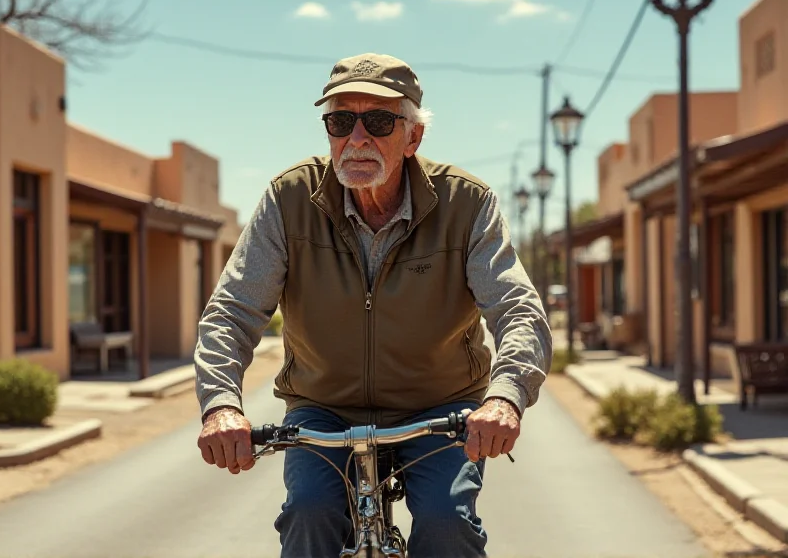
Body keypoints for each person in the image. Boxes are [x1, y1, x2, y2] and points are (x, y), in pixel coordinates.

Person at [194, 53, 552, 557]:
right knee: (308, 515)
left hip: (439, 408)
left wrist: (505, 396)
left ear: (413, 138)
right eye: (341, 120)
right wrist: (221, 406)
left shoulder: (467, 203)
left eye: (379, 121)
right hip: (323, 409)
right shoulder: (289, 198)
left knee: (448, 523)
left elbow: (517, 308)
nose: (356, 139)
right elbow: (232, 310)